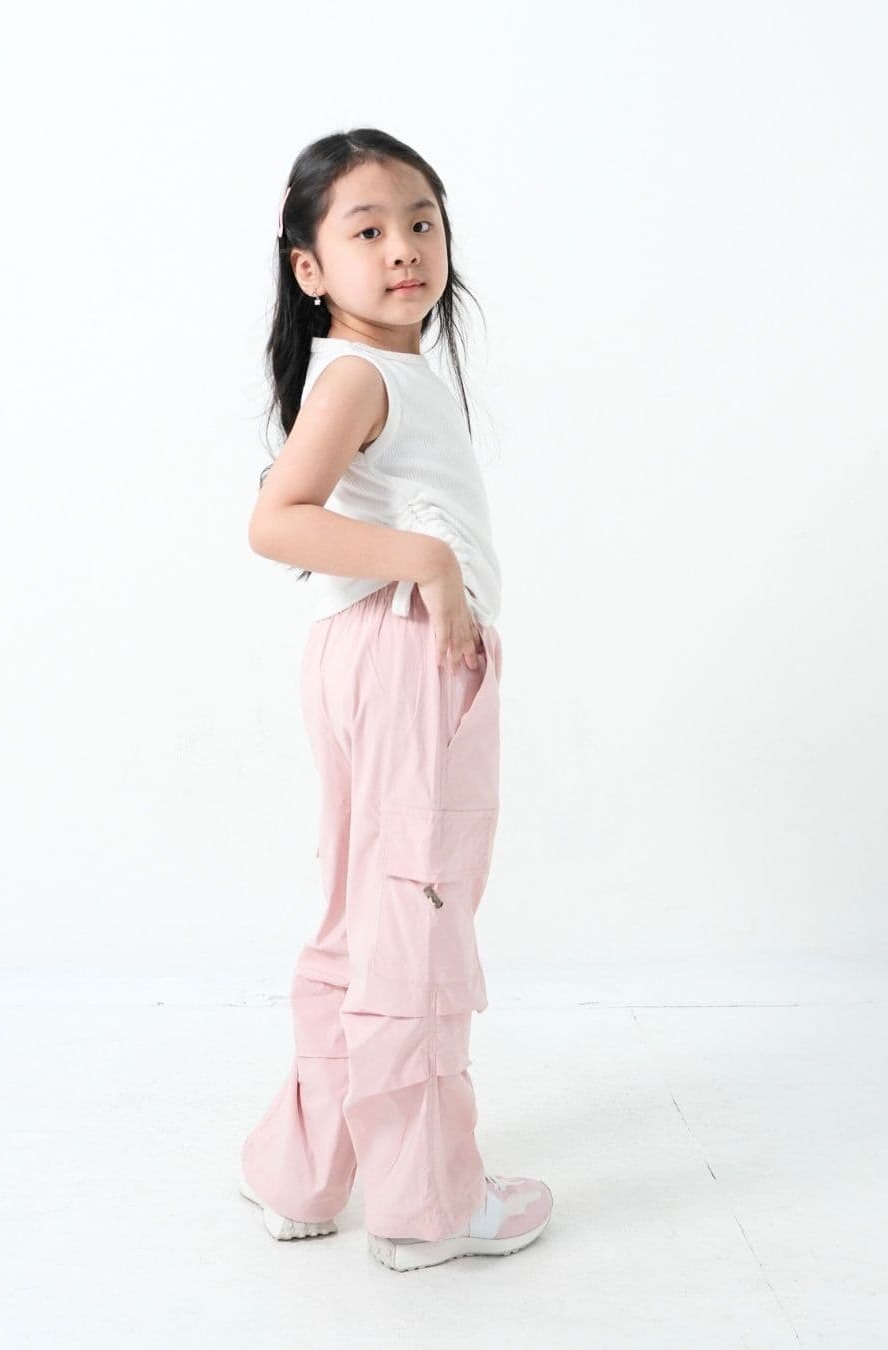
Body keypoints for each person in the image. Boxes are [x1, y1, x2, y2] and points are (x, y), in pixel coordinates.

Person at [239, 128, 553, 1272]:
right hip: (406, 656)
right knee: (416, 919)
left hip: (367, 654)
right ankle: (427, 1206)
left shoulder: (378, 372)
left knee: (361, 915)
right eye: (366, 230)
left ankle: (302, 1175)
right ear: (310, 268)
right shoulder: (361, 374)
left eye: (421, 221)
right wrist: (429, 564)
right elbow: (278, 520)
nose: (404, 248)